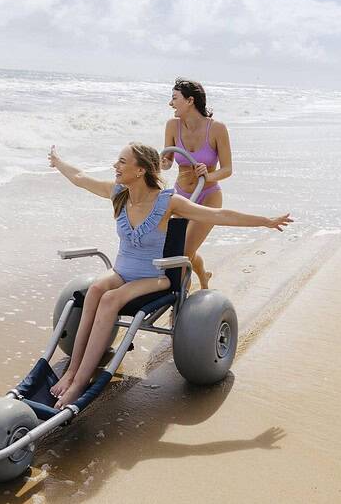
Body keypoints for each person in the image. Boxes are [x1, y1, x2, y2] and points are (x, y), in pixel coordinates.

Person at [47, 142, 292, 409]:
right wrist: (58, 162)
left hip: (155, 277)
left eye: (121, 162)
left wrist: (265, 221)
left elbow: (218, 214)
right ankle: (72, 372)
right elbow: (80, 178)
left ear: (140, 170)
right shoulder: (118, 193)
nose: (114, 166)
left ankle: (81, 382)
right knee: (95, 290)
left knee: (109, 300)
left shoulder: (167, 201)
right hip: (121, 272)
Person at [161, 78, 231, 289]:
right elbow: (167, 163)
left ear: (190, 100)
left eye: (174, 98)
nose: (170, 103)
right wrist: (162, 161)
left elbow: (227, 169)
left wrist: (208, 176)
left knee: (184, 253)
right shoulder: (172, 125)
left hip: (208, 196)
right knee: (176, 250)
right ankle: (203, 276)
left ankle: (180, 304)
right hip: (181, 195)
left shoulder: (217, 128)